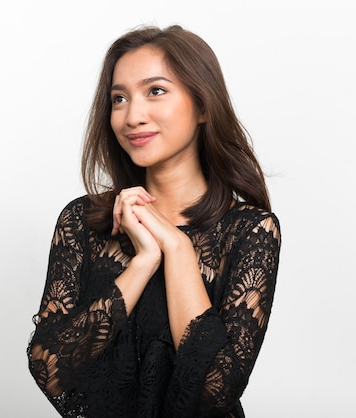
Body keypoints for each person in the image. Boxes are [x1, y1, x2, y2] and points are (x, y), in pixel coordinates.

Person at [26, 24, 281, 418]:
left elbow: (215, 389)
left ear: (202, 105)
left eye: (155, 91)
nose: (132, 116)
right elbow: (50, 368)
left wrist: (177, 247)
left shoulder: (249, 229)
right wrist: (143, 261)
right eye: (119, 99)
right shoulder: (83, 221)